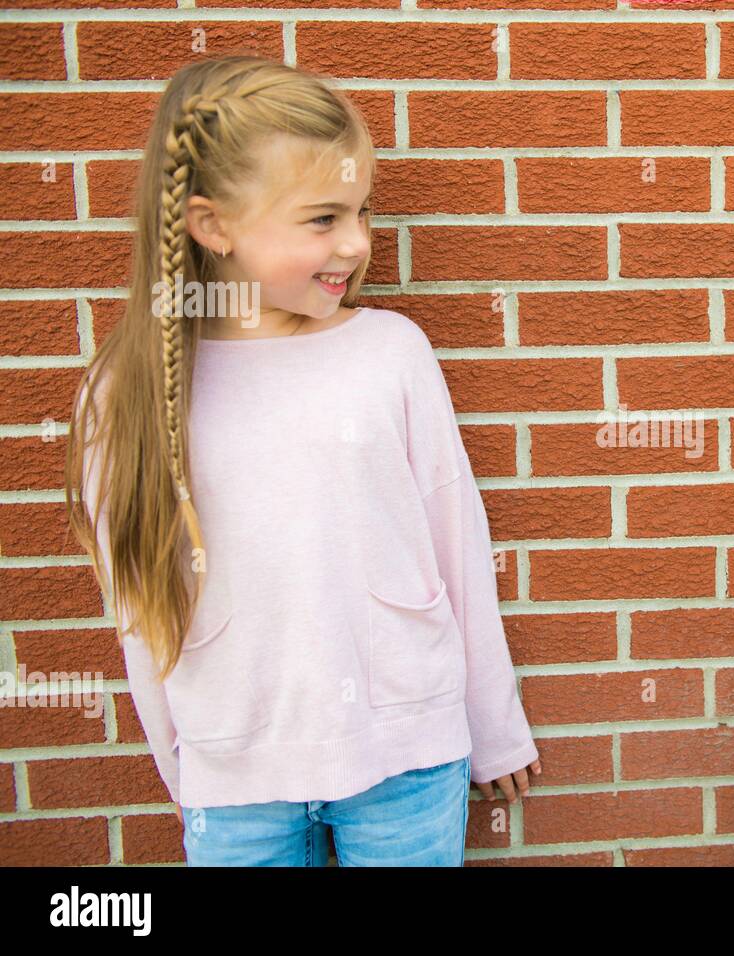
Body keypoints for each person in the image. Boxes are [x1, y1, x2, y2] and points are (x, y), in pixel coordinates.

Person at [65, 55, 540, 866]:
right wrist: (186, 770)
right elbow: (138, 607)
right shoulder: (129, 391)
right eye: (322, 219)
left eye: (362, 211)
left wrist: (494, 729)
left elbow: (458, 544)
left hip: (408, 755)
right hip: (235, 778)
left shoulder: (390, 353)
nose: (355, 243)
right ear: (213, 226)